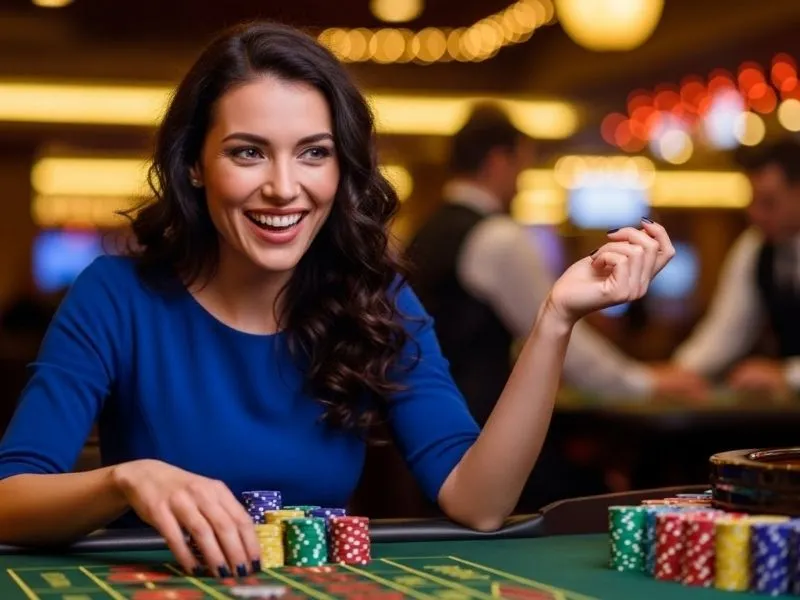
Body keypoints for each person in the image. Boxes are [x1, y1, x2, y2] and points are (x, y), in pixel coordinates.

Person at [0, 22, 674, 580]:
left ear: (341, 168)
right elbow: (10, 500)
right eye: (248, 153)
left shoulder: (376, 298)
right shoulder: (114, 296)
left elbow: (479, 502)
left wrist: (555, 318)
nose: (284, 187)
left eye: (313, 153)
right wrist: (128, 480)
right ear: (195, 165)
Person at [406, 105, 704, 426]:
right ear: (497, 162)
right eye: (521, 165)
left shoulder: (424, 231)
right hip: (473, 424)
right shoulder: (497, 237)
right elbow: (555, 332)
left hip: (422, 419)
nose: (522, 180)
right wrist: (643, 383)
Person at [672, 139, 800, 397]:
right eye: (752, 201)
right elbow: (726, 330)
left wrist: (788, 375)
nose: (754, 214)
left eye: (769, 202)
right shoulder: (754, 247)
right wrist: (679, 373)